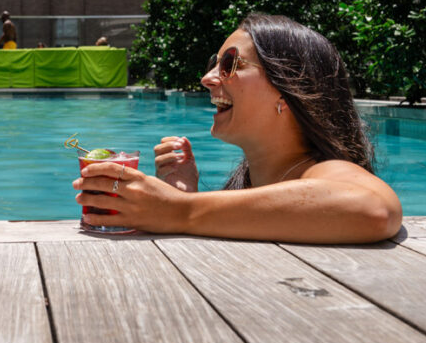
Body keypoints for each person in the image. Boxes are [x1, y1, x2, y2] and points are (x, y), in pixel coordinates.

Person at [74, 13, 402, 243]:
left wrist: (178, 210)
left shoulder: (329, 170)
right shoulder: (260, 184)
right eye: (213, 64)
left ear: (287, 89)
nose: (207, 78)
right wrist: (184, 195)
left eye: (229, 64)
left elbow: (374, 209)